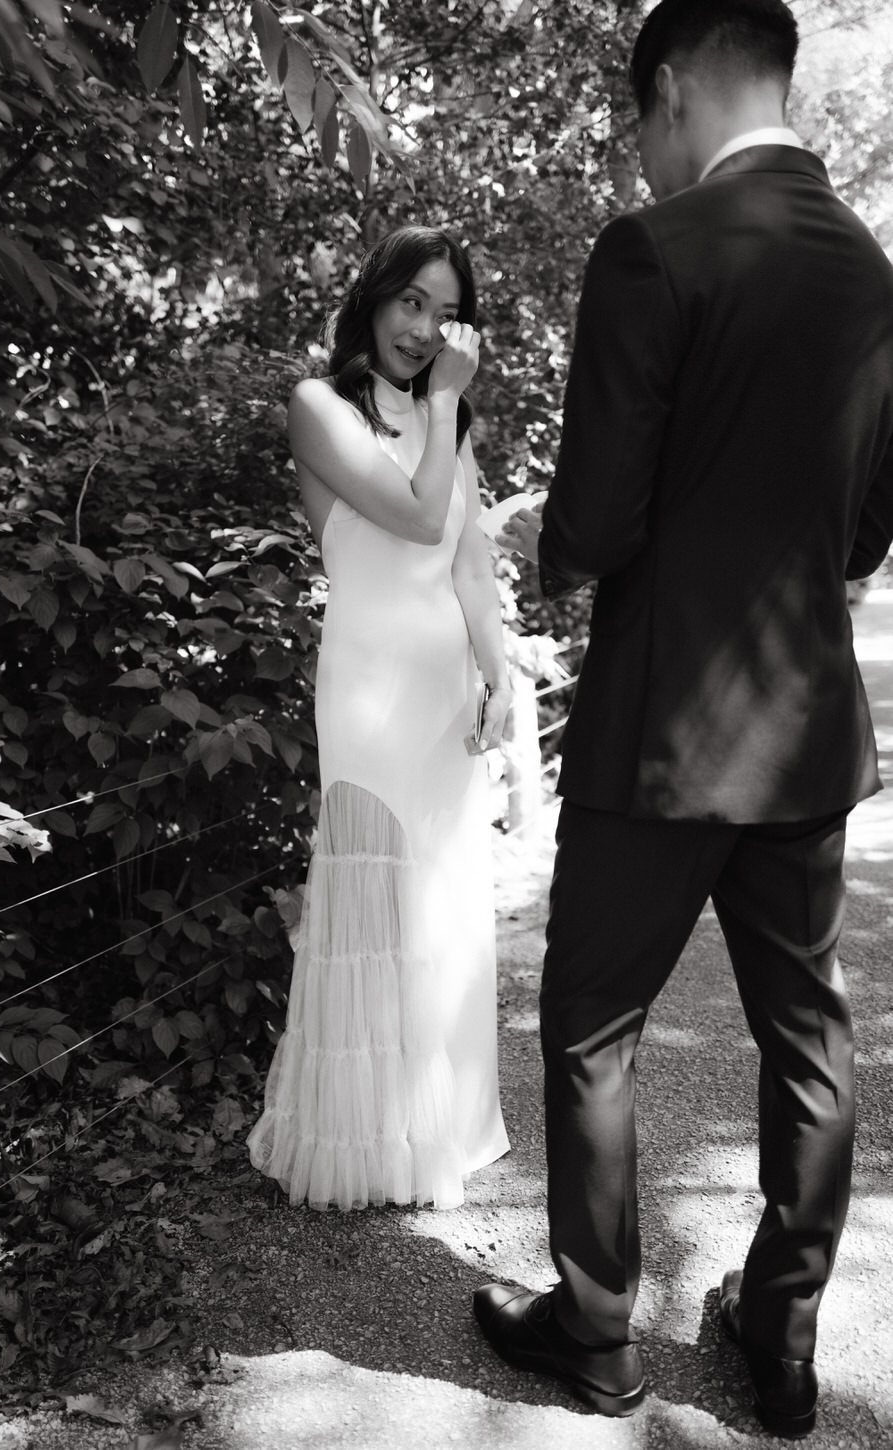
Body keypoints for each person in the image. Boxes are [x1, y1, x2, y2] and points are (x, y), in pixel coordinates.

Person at [472, 0, 893, 1434]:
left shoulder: (652, 250)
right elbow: (868, 532)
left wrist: (555, 546)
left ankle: (596, 1325)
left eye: (637, 124)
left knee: (591, 1020)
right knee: (807, 1036)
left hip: (659, 728)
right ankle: (778, 1342)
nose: (640, 155)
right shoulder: (870, 267)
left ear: (670, 91)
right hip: (802, 727)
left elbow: (592, 522)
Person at [248, 226, 512, 1213]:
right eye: (409, 300)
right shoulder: (318, 406)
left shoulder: (449, 418)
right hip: (367, 689)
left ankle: (447, 1122)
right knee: (378, 891)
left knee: (444, 896)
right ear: (370, 298)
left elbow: (467, 559)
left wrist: (498, 674)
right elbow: (410, 515)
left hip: (443, 693)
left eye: (442, 310)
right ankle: (368, 1139)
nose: (422, 327)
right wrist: (442, 402)